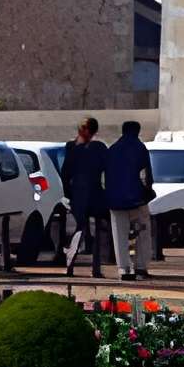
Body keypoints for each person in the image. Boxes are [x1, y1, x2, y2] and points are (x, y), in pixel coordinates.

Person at [55, 118, 109, 276]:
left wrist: (68, 194)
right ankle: (91, 267)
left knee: (82, 227)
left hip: (81, 193)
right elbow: (106, 169)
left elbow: (65, 172)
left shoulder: (74, 147)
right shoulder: (97, 147)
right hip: (91, 192)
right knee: (91, 228)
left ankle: (75, 261)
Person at [103, 119, 154, 280]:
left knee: (119, 234)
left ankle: (124, 269)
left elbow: (105, 176)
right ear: (137, 131)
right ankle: (140, 266)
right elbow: (146, 175)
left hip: (116, 200)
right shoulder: (140, 148)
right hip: (137, 199)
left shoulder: (113, 149)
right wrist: (147, 192)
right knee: (142, 232)